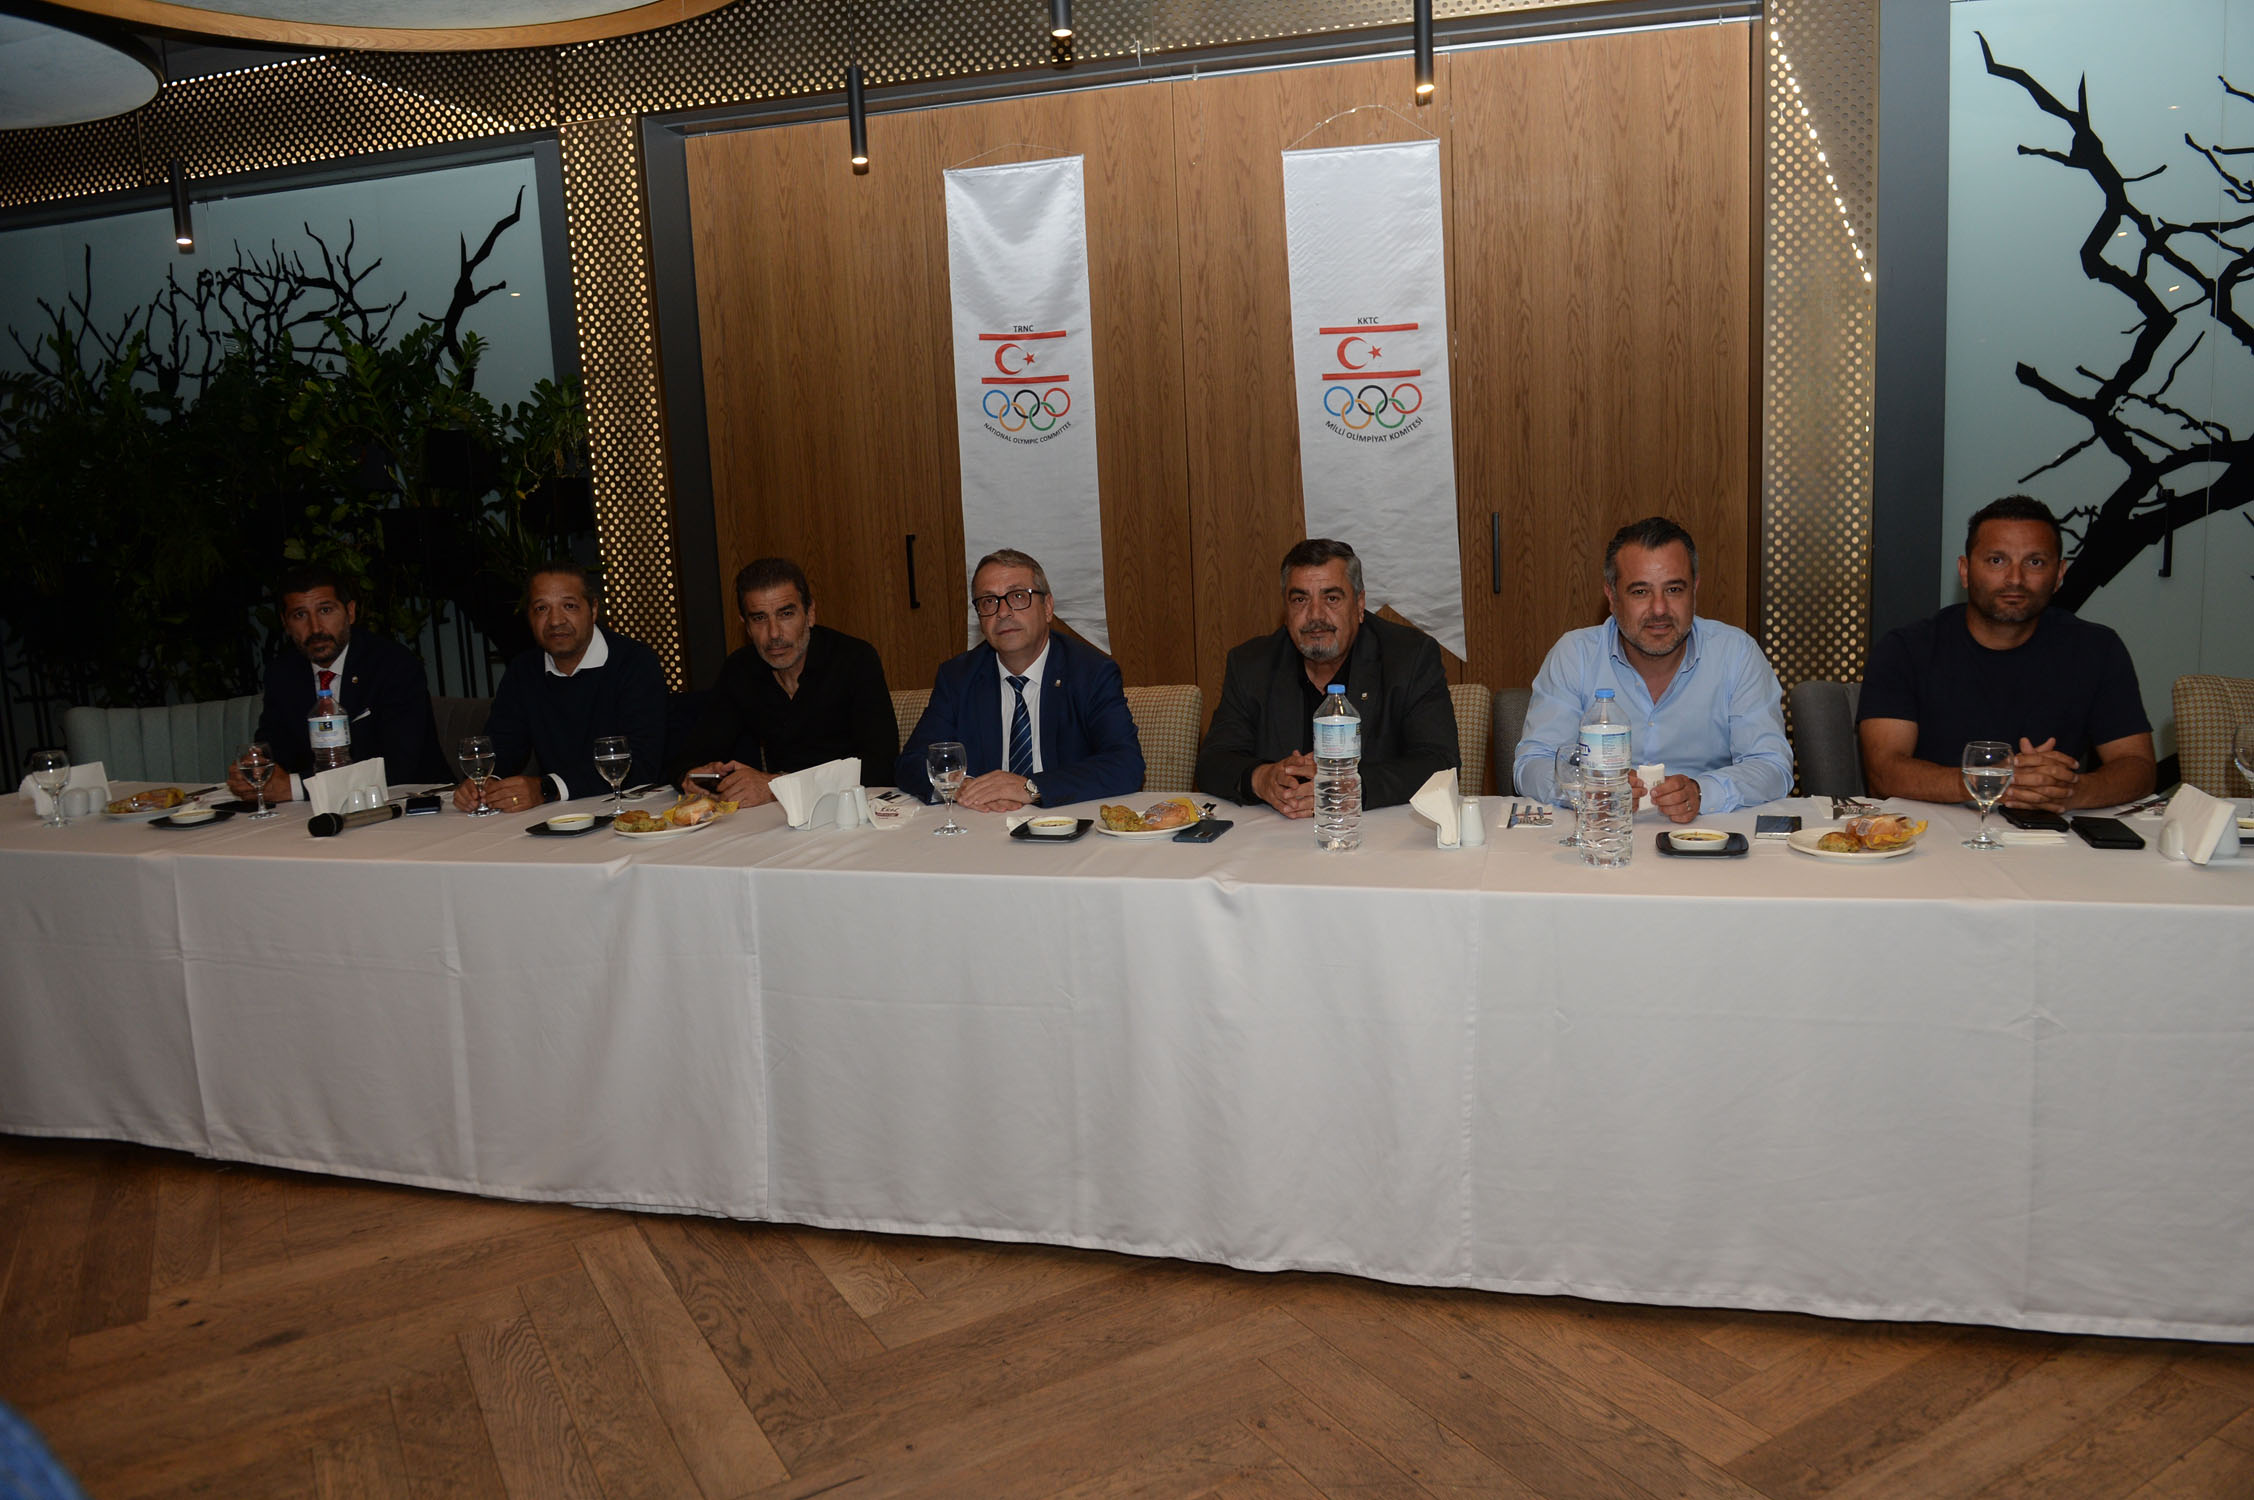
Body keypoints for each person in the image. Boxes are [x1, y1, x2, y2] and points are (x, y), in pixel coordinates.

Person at [1858, 495, 2155, 812]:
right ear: (1965, 570)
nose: (2015, 579)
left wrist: (2070, 790)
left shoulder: (2097, 649)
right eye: (1996, 561)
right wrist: (1994, 781)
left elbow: (2138, 767)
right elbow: (1883, 773)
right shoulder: (1905, 649)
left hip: (2051, 832)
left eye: (2035, 562)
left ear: (2059, 574)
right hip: (1931, 831)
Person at [1513, 516, 1791, 822]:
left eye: (1674, 589)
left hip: (1705, 834)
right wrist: (1587, 789)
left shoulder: (1736, 654)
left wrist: (1703, 792)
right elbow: (1532, 764)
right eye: (1640, 592)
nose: (1659, 609)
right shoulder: (1575, 655)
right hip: (1602, 834)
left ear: (1694, 590)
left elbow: (1772, 766)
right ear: (1611, 597)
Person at [1194, 538, 1459, 817]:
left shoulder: (1409, 658)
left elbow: (1440, 762)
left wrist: (1351, 787)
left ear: (1359, 605)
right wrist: (1260, 778)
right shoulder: (1252, 664)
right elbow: (1213, 762)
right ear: (1286, 610)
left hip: (1371, 831)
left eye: (1331, 598)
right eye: (1300, 600)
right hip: (1278, 830)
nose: (1315, 616)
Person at [895, 548, 1143, 810]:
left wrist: (1030, 787)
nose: (1003, 612)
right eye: (988, 601)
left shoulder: (1091, 672)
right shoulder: (958, 677)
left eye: (1018, 596)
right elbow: (911, 762)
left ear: (1047, 608)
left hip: (1064, 822)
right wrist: (962, 785)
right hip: (982, 823)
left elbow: (1125, 764)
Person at [670, 558, 898, 805]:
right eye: (759, 618)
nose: (774, 633)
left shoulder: (854, 659)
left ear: (810, 614)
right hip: (780, 819)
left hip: (857, 810)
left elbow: (881, 767)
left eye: (786, 614)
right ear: (746, 626)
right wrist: (693, 775)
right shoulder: (741, 669)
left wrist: (776, 786)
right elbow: (688, 757)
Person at [455, 561, 668, 813]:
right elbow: (503, 745)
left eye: (569, 606)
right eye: (541, 608)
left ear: (593, 609)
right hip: (560, 815)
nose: (555, 620)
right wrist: (485, 783)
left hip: (637, 811)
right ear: (530, 617)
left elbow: (641, 764)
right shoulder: (524, 670)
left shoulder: (634, 662)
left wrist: (546, 788)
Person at [229, 564, 446, 802]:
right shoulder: (283, 673)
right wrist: (257, 770)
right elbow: (274, 748)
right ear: (285, 623)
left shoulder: (393, 665)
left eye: (325, 610)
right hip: (314, 811)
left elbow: (399, 766)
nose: (315, 628)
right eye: (300, 615)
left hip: (411, 802)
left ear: (350, 612)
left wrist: (295, 787)